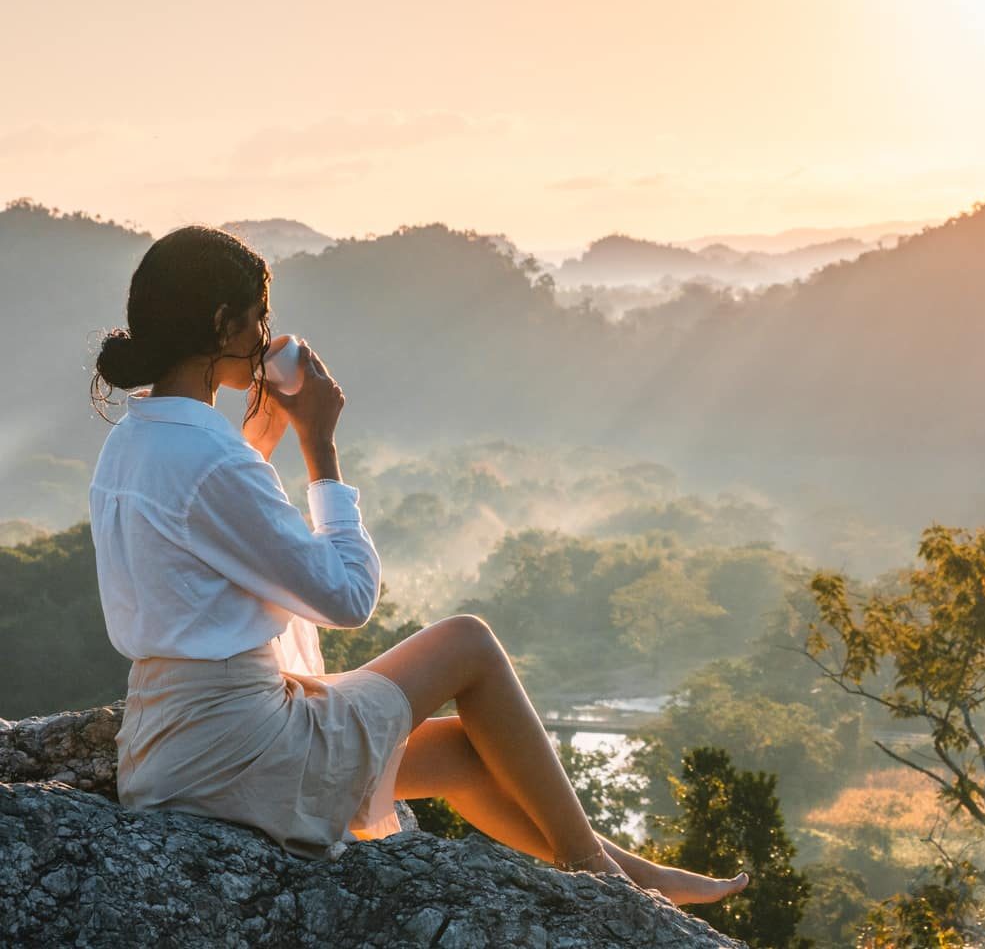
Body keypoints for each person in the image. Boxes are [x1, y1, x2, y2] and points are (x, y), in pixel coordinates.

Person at [88, 224, 748, 906]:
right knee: (469, 642)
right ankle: (602, 881)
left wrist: (264, 438)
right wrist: (320, 448)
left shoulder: (134, 441)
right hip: (242, 753)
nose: (264, 335)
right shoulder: (211, 459)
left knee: (468, 749)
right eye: (258, 317)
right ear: (224, 324)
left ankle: (635, 874)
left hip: (169, 748)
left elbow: (211, 538)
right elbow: (347, 598)